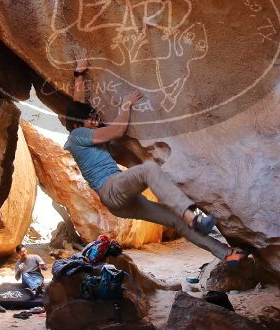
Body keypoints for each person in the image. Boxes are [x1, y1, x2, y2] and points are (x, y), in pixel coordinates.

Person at [64, 50, 248, 266]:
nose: (94, 122)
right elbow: (115, 132)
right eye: (89, 121)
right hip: (111, 188)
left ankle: (227, 254)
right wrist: (125, 106)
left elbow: (78, 106)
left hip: (120, 200)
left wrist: (79, 74)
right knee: (148, 169)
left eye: (93, 119)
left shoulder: (80, 130)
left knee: (175, 221)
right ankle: (193, 217)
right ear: (77, 124)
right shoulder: (77, 135)